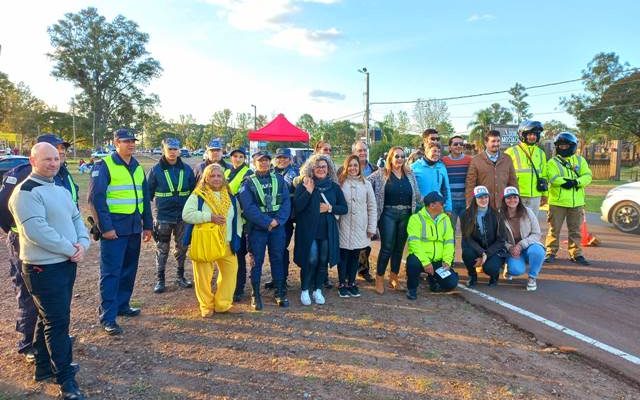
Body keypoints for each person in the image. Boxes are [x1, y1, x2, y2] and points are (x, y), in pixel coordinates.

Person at [9, 142, 89, 400]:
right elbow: (36, 231)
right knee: (58, 323)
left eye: (56, 158)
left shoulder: (61, 189)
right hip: (42, 267)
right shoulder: (26, 192)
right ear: (33, 161)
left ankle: (44, 367)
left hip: (65, 264)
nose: (53, 163)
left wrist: (82, 244)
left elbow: (76, 218)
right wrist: (70, 248)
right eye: (47, 159)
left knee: (49, 318)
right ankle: (66, 379)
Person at [0, 133, 78, 363]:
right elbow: (4, 205)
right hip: (28, 242)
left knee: (54, 303)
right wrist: (17, 230)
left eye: (61, 151)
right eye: (54, 150)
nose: (58, 155)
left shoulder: (61, 174)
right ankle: (27, 344)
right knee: (29, 294)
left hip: (61, 247)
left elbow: (71, 209)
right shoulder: (24, 175)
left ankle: (50, 338)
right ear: (37, 155)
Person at [88, 128, 152, 335]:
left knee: (129, 270)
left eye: (133, 141)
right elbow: (96, 199)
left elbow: (145, 199)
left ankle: (123, 305)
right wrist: (106, 228)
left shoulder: (137, 166)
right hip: (114, 229)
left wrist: (148, 225)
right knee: (111, 272)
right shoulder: (104, 165)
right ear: (116, 143)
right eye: (126, 141)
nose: (131, 144)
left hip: (134, 227)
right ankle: (108, 316)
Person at [182, 164, 242, 317]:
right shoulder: (198, 195)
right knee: (203, 276)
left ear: (223, 178)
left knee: (230, 273)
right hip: (205, 242)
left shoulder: (230, 196)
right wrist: (209, 217)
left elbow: (237, 219)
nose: (216, 179)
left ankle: (223, 304)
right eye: (212, 176)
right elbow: (187, 215)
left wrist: (237, 236)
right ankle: (206, 305)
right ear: (206, 178)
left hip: (227, 242)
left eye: (219, 176)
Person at [238, 151, 291, 310]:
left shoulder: (279, 180)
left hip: (277, 228)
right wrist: (267, 222)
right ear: (254, 163)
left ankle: (280, 292)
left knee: (277, 259)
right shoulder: (247, 183)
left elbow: (286, 202)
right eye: (260, 161)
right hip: (257, 229)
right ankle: (255, 295)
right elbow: (248, 208)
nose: (264, 163)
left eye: (267, 160)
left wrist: (277, 221)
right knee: (256, 262)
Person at [294, 154, 347, 305]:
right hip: (308, 230)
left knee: (323, 261)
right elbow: (297, 207)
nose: (321, 169)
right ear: (312, 168)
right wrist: (309, 191)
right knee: (310, 259)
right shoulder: (304, 184)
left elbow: (344, 208)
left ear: (328, 169)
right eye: (317, 167)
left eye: (324, 166)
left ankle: (317, 289)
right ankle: (305, 290)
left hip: (327, 231)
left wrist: (330, 208)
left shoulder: (334, 187)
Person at [368, 147, 422, 294]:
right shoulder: (381, 173)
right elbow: (365, 182)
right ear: (390, 158)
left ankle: (394, 278)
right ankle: (379, 279)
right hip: (388, 214)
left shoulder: (409, 174)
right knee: (387, 247)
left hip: (406, 214)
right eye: (396, 156)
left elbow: (417, 194)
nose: (400, 159)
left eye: (402, 156)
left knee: (399, 248)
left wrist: (429, 205)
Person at [147, 137, 196, 293]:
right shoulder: (155, 170)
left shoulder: (187, 169)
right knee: (162, 249)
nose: (173, 152)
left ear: (179, 150)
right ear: (164, 150)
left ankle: (180, 276)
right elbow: (148, 194)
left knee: (182, 247)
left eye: (175, 149)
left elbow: (194, 193)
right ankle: (160, 279)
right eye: (170, 149)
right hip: (163, 216)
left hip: (183, 216)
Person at [544, 132, 593, 265]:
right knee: (554, 230)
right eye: (560, 145)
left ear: (572, 146)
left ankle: (576, 254)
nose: (562, 148)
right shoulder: (552, 162)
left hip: (576, 203)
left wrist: (575, 182)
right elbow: (552, 178)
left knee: (575, 231)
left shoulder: (580, 160)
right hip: (557, 202)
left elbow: (587, 176)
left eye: (565, 145)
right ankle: (550, 252)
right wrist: (566, 182)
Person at [337, 155, 377, 298]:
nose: (353, 168)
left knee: (355, 256)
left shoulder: (366, 184)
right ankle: (342, 283)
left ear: (359, 167)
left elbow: (372, 206)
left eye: (355, 165)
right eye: (350, 165)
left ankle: (352, 282)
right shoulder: (340, 183)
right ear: (346, 167)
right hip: (344, 225)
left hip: (360, 226)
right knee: (343, 256)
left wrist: (372, 227)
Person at [405, 191, 458, 300]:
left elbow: (449, 242)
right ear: (432, 205)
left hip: (439, 260)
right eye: (441, 203)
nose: (444, 205)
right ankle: (412, 289)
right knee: (412, 263)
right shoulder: (415, 219)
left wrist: (447, 261)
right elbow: (414, 244)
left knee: (451, 283)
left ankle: (433, 280)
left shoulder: (445, 219)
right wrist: (426, 262)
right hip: (422, 259)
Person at [265, 148, 299, 290]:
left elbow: (285, 187)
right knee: (273, 249)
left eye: (285, 157)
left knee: (281, 248)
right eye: (279, 157)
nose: (282, 160)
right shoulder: (271, 172)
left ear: (290, 159)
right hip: (272, 217)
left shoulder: (293, 173)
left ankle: (282, 279)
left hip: (286, 218)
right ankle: (276, 278)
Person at [500, 186, 545, 291]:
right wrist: (510, 248)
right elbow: (498, 238)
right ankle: (509, 266)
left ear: (519, 199)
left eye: (515, 197)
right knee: (516, 270)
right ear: (504, 200)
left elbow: (536, 233)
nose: (512, 200)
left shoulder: (528, 212)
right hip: (511, 249)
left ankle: (532, 278)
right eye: (508, 198)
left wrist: (521, 245)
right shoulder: (499, 215)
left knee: (538, 252)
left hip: (528, 246)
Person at [461, 185, 507, 287]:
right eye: (480, 197)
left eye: (486, 197)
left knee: (490, 268)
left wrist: (487, 253)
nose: (484, 200)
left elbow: (501, 240)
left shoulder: (497, 214)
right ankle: (472, 276)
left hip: (493, 249)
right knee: (467, 253)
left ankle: (494, 276)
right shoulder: (466, 214)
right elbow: (467, 237)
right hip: (477, 248)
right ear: (475, 199)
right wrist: (481, 252)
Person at [224, 147, 253, 302]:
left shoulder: (248, 173)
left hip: (241, 222)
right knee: (229, 254)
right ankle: (229, 284)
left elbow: (244, 196)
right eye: (235, 156)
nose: (238, 159)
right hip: (227, 220)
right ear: (231, 158)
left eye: (241, 156)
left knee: (239, 255)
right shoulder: (226, 173)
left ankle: (239, 288)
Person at [465, 130, 518, 209]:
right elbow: (470, 185)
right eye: (493, 141)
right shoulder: (476, 160)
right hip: (484, 206)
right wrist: (469, 205)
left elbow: (513, 182)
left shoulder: (507, 159)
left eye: (498, 141)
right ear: (486, 143)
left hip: (503, 206)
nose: (496, 144)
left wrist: (515, 203)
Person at [504, 120, 548, 215]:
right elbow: (503, 175)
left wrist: (544, 194)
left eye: (535, 134)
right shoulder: (510, 152)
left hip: (536, 195)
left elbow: (544, 175)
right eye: (530, 134)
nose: (533, 137)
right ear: (522, 134)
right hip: (517, 195)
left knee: (532, 222)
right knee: (516, 222)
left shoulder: (541, 153)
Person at [442, 135, 472, 232]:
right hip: (450, 203)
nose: (459, 146)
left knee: (467, 232)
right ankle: (451, 248)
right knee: (450, 232)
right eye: (455, 144)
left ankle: (467, 248)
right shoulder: (443, 161)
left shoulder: (470, 160)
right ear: (449, 147)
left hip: (466, 202)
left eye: (461, 144)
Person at [411, 141, 452, 212]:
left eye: (439, 152)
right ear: (426, 152)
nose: (437, 154)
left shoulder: (441, 167)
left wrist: (448, 207)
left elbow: (446, 188)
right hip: (420, 208)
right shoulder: (414, 167)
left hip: (438, 207)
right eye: (434, 151)